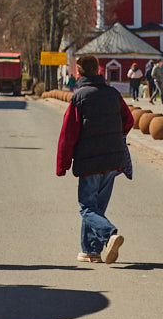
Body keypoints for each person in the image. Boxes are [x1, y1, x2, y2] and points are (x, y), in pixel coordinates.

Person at [57, 54, 134, 264]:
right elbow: (129, 120)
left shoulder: (79, 97)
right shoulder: (113, 94)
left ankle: (109, 234)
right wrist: (114, 137)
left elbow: (68, 134)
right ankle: (90, 251)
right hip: (113, 159)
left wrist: (62, 164)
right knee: (96, 207)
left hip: (89, 161)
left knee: (87, 207)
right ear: (98, 70)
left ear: (79, 72)